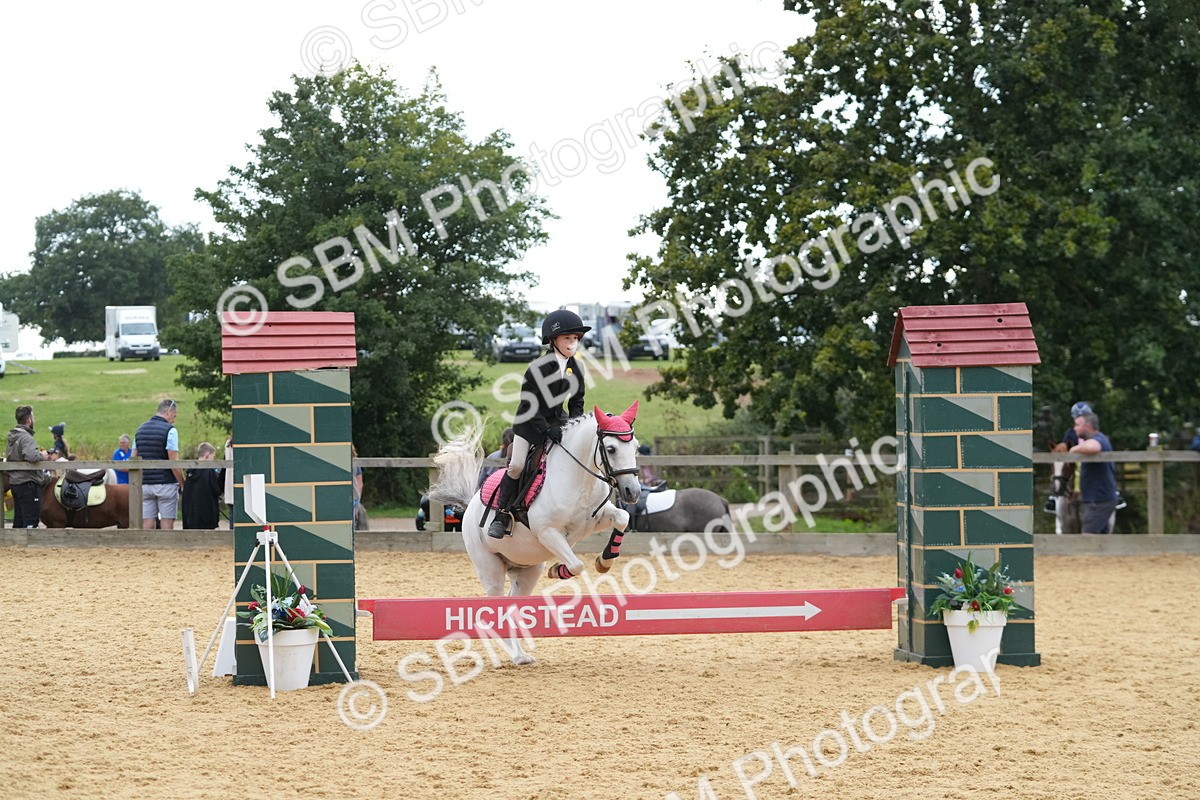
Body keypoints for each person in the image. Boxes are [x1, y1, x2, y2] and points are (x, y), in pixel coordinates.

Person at [487, 310, 590, 538]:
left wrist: (574, 426)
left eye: (575, 338)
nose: (572, 343)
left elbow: (577, 402)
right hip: (529, 424)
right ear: (553, 340)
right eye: (567, 338)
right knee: (516, 466)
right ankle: (502, 515)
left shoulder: (576, 368)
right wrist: (546, 429)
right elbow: (528, 404)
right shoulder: (538, 367)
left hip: (558, 423)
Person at [132, 399, 185, 530]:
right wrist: (183, 483)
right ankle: (166, 543)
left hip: (145, 483)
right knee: (167, 522)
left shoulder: (140, 430)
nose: (174, 419)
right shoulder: (170, 430)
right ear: (169, 412)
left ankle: (147, 543)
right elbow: (173, 460)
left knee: (147, 522)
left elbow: (133, 458)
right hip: (165, 483)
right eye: (174, 416)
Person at [1070, 410, 1120, 534]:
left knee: (1088, 538)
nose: (1074, 428)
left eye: (1077, 425)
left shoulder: (1099, 439)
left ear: (1087, 426)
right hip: (1096, 499)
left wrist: (1073, 449)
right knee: (1100, 541)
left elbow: (1093, 447)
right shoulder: (1098, 439)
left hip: (1099, 500)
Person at [6, 405, 50, 528]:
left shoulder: (12, 436)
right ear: (29, 420)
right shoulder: (26, 437)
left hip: (15, 482)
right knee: (31, 520)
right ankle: (29, 541)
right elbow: (31, 456)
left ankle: (15, 541)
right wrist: (42, 455)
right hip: (28, 483)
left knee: (19, 520)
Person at [181, 442, 224, 529]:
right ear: (207, 455)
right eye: (213, 457)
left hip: (190, 518)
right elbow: (217, 490)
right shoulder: (209, 472)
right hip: (207, 518)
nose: (213, 460)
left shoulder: (190, 473)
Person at [352, 444, 368, 531]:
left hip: (354, 498)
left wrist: (357, 503)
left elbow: (359, 483)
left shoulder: (356, 464)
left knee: (361, 513)